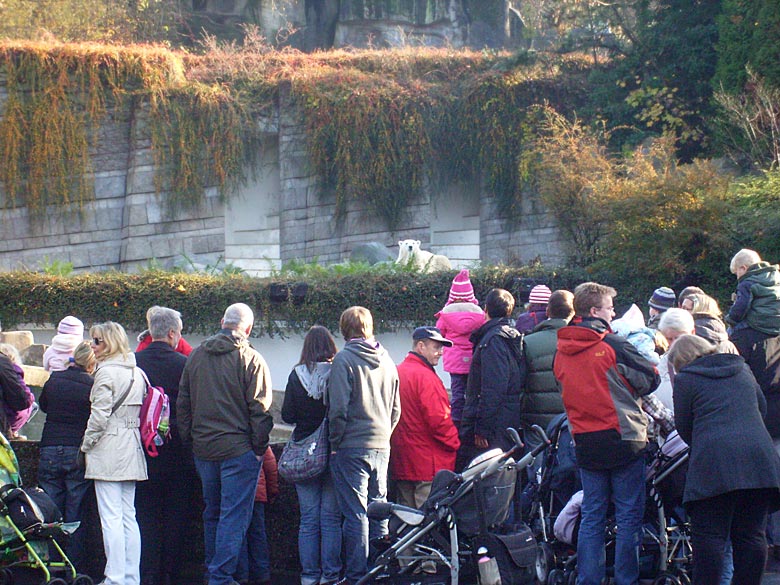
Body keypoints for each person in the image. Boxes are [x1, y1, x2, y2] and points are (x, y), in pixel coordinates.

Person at [554, 282, 660, 585]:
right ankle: (626, 579)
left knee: (592, 515)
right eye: (610, 308)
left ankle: (589, 579)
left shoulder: (561, 351)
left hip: (585, 440)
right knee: (628, 518)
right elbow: (650, 378)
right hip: (624, 438)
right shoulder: (612, 344)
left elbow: (562, 389)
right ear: (594, 311)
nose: (614, 313)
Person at [669, 334, 780, 585]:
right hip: (759, 460)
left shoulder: (686, 379)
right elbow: (760, 409)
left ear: (680, 362)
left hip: (714, 465)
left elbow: (685, 427)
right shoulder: (741, 369)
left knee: (710, 537)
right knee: (752, 535)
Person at [177, 303, 274, 585]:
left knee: (213, 513)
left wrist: (191, 441)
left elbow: (183, 403)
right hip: (238, 452)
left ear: (222, 321)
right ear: (249, 329)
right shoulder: (252, 359)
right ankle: (221, 577)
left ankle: (213, 571)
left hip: (204, 450)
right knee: (234, 516)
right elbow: (261, 411)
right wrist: (257, 449)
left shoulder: (195, 356)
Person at [325, 306, 400, 584]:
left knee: (356, 514)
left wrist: (335, 442)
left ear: (345, 329)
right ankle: (379, 571)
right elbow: (396, 408)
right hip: (382, 444)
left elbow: (338, 409)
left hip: (351, 446)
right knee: (378, 509)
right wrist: (385, 434)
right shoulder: (388, 359)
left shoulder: (344, 359)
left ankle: (357, 575)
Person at [80, 321, 148, 585]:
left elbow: (99, 418)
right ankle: (130, 576)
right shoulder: (137, 372)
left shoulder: (105, 374)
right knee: (128, 516)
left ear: (109, 343)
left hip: (108, 446)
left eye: (97, 341)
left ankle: (115, 578)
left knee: (110, 517)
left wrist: (86, 445)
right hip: (132, 443)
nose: (92, 346)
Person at [134, 307, 197, 585]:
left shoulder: (133, 363)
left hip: (142, 452)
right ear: (172, 333)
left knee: (144, 516)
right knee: (176, 516)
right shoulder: (185, 364)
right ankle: (170, 573)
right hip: (178, 453)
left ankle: (147, 573)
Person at [281, 325, 343, 585]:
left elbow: (287, 416)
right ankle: (331, 574)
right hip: (333, 452)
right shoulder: (339, 372)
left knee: (308, 519)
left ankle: (308, 576)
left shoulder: (297, 375)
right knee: (330, 518)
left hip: (305, 454)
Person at [38, 340, 95, 572]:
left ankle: (51, 563)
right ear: (92, 363)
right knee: (76, 511)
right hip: (75, 450)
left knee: (50, 510)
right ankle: (73, 565)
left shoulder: (55, 379)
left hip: (50, 446)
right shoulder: (91, 385)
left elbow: (43, 406)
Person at [391, 326, 460, 509]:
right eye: (436, 348)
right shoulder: (426, 378)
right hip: (428, 463)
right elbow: (439, 421)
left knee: (405, 518)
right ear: (421, 346)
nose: (441, 353)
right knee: (428, 522)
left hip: (402, 459)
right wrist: (455, 444)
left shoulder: (397, 372)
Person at [459, 288, 525, 463]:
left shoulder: (493, 340)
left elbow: (493, 388)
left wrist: (482, 429)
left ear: (485, 309)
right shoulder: (508, 336)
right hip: (506, 420)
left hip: (494, 427)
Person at [435, 269, 484, 428]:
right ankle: (472, 420)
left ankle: (456, 421)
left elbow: (439, 334)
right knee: (473, 393)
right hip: (473, 360)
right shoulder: (480, 315)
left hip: (454, 361)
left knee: (457, 393)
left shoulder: (446, 315)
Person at [521, 289, 572, 437]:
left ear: (548, 311)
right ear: (573, 312)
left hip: (535, 416)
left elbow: (519, 382)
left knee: (536, 456)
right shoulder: (581, 341)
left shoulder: (528, 342)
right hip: (569, 414)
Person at [236, 445, 278, 585]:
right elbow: (270, 465)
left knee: (238, 534)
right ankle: (262, 573)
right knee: (258, 534)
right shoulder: (259, 440)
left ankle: (241, 575)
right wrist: (272, 490)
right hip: (257, 494)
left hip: (237, 494)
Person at [725, 248, 780, 338]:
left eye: (736, 273)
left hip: (759, 324)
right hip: (776, 324)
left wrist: (730, 319)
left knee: (730, 331)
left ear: (743, 268)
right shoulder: (776, 277)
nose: (737, 277)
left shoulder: (747, 283)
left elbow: (741, 307)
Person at [0, 343, 36, 438]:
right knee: (33, 405)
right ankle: (14, 432)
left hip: (6, 414)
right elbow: (24, 400)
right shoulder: (12, 369)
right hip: (10, 418)